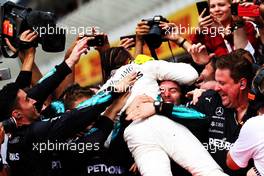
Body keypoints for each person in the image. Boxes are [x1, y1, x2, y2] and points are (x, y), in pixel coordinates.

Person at [0, 36, 137, 176]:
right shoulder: (36, 133)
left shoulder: (16, 127)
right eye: (28, 100)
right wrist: (113, 96)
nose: (34, 101)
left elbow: (41, 89)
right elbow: (75, 119)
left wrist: (70, 61)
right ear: (17, 114)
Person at [125, 49, 256, 175]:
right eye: (216, 81)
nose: (216, 87)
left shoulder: (258, 113)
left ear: (242, 84)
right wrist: (158, 107)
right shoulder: (210, 98)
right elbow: (186, 115)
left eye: (222, 83)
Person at [191, 0, 257, 57]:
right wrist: (199, 32)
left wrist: (225, 32)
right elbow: (196, 51)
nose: (217, 9)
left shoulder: (247, 25)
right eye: (212, 6)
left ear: (231, 6)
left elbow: (247, 54)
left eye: (221, 5)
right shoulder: (209, 32)